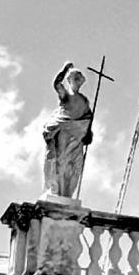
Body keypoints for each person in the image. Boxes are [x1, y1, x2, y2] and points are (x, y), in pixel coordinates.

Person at [42, 62, 93, 199]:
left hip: (77, 136)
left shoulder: (84, 100)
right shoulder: (66, 95)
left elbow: (88, 117)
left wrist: (88, 133)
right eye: (76, 78)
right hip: (64, 131)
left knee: (75, 164)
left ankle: (67, 193)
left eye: (80, 79)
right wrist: (65, 70)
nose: (78, 82)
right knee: (61, 161)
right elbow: (56, 84)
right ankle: (56, 190)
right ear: (69, 80)